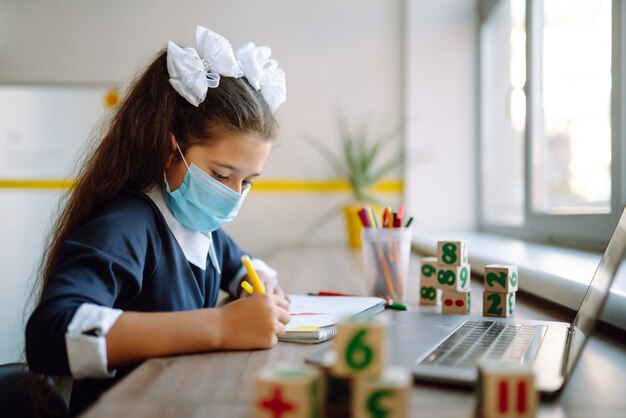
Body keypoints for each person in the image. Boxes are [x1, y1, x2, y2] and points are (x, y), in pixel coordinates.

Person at [25, 26, 290, 416]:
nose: (234, 194)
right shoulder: (127, 226)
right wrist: (221, 327)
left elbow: (242, 268)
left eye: (247, 181)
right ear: (171, 149)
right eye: (221, 175)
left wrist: (262, 288)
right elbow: (50, 335)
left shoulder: (199, 223)